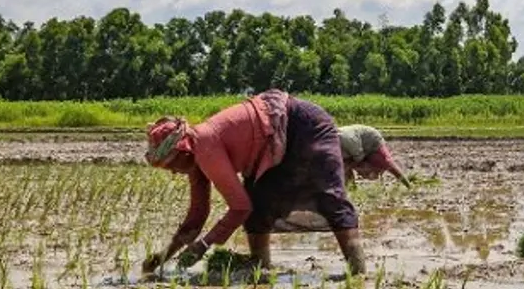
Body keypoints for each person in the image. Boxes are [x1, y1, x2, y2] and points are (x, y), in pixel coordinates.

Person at [140, 89, 366, 277]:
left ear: (182, 152)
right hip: (270, 143)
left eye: (170, 165)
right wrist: (163, 256)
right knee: (258, 201)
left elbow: (239, 207)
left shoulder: (204, 146)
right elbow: (197, 215)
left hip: (304, 125)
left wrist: (204, 245)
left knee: (328, 195)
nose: (172, 172)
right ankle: (261, 266)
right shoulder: (195, 159)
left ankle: (358, 270)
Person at [338, 124, 411, 188]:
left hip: (371, 141)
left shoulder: (348, 140)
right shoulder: (331, 145)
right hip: (356, 148)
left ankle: (409, 185)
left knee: (387, 163)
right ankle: (352, 189)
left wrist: (349, 166)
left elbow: (359, 158)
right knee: (344, 166)